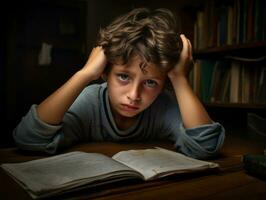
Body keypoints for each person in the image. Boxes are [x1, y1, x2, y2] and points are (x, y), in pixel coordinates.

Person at [13, 8, 225, 159]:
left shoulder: (163, 105)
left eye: (150, 82)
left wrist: (180, 79)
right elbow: (29, 139)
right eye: (124, 76)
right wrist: (85, 74)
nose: (134, 95)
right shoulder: (90, 101)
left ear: (164, 83)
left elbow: (205, 147)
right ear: (105, 73)